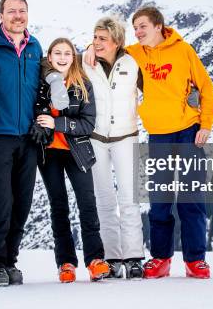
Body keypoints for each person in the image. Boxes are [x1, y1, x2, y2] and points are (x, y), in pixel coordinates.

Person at [84, 6, 213, 279]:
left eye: (143, 26)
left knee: (191, 197)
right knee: (160, 199)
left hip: (188, 132)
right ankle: (160, 258)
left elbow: (205, 87)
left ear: (159, 26)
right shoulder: (135, 53)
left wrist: (205, 125)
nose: (139, 31)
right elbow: (110, 44)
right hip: (158, 134)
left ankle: (195, 260)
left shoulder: (184, 51)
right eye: (135, 28)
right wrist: (89, 46)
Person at [32, 38, 110, 283]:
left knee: (87, 203)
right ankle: (66, 263)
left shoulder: (82, 84)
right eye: (58, 53)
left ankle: (95, 260)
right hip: (49, 153)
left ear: (73, 57)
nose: (63, 57)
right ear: (50, 56)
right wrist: (39, 120)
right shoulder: (41, 83)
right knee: (59, 207)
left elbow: (88, 123)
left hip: (77, 151)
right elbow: (33, 110)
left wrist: (58, 124)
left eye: (67, 53)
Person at [0, 0, 43, 287]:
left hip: (29, 137)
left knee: (23, 203)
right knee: (1, 201)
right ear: (1, 15)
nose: (18, 16)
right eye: (11, 11)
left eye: (22, 11)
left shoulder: (35, 46)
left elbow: (49, 81)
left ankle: (9, 260)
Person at [82, 17, 145, 279]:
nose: (97, 43)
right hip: (96, 137)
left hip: (126, 136)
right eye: (95, 37)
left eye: (102, 39)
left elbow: (157, 89)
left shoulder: (133, 63)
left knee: (129, 198)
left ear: (117, 41)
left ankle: (133, 258)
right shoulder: (85, 63)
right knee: (104, 199)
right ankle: (112, 258)